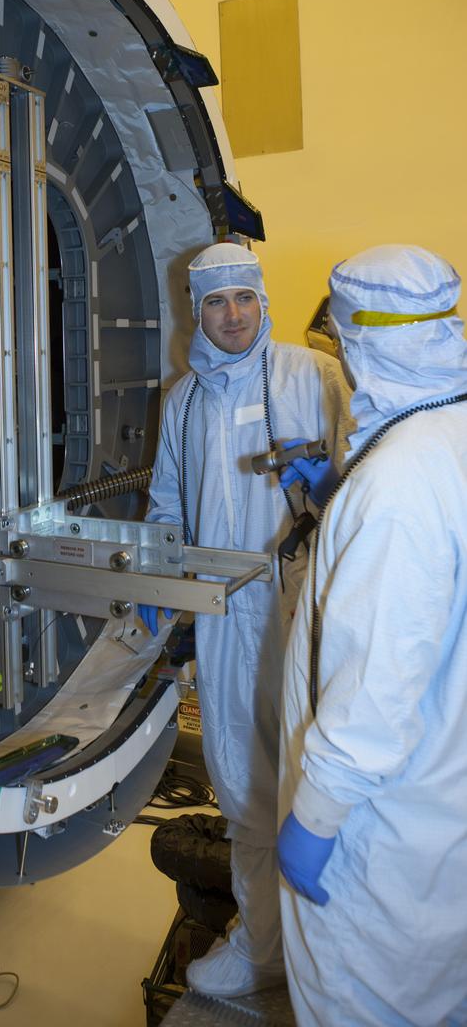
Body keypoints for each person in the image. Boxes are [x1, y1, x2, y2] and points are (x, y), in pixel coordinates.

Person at [143, 241, 351, 997]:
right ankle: (262, 945)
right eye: (214, 303)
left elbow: (361, 492)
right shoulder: (184, 400)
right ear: (194, 312)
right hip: (226, 617)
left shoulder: (313, 374)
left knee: (322, 776)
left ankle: (331, 943)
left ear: (262, 300)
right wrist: (165, 602)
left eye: (244, 299)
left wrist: (326, 485)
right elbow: (167, 508)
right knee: (239, 780)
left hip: (308, 607)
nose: (232, 316)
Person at [278, 244, 467, 1026]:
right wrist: (338, 492)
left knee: (360, 1003)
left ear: (359, 344)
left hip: (372, 829)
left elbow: (374, 690)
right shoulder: (441, 434)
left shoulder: (398, 485)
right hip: (437, 789)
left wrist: (314, 819)